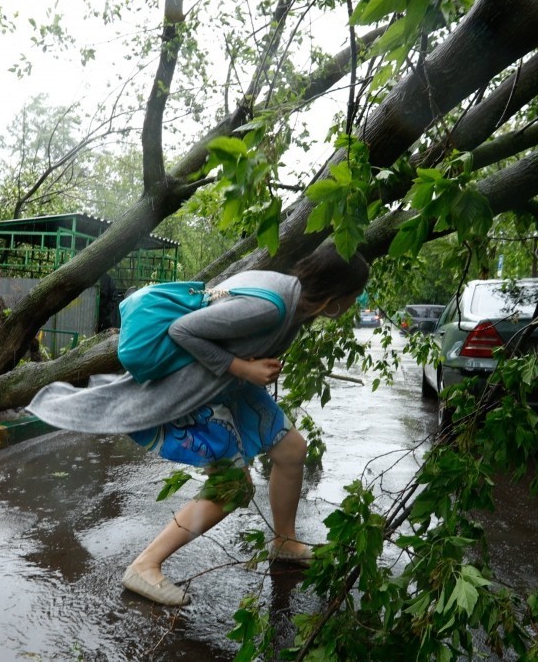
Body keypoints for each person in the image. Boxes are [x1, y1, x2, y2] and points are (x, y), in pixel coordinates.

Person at [27, 242, 370, 606]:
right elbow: (182, 330)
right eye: (355, 295)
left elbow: (215, 296)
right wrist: (243, 367)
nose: (354, 303)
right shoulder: (270, 306)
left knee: (291, 448)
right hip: (196, 390)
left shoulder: (289, 295)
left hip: (224, 385)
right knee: (232, 488)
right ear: (336, 294)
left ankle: (283, 541)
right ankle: (144, 566)